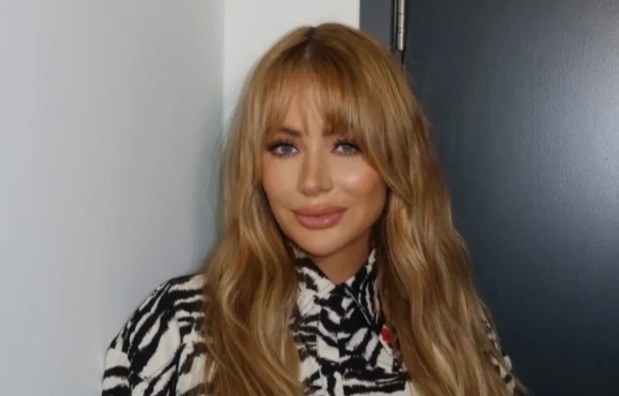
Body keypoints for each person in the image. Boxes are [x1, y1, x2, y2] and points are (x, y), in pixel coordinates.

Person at [101, 23, 523, 396]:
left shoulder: (454, 325)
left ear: (396, 159)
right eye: (285, 147)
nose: (313, 181)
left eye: (346, 145)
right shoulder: (181, 325)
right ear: (256, 167)